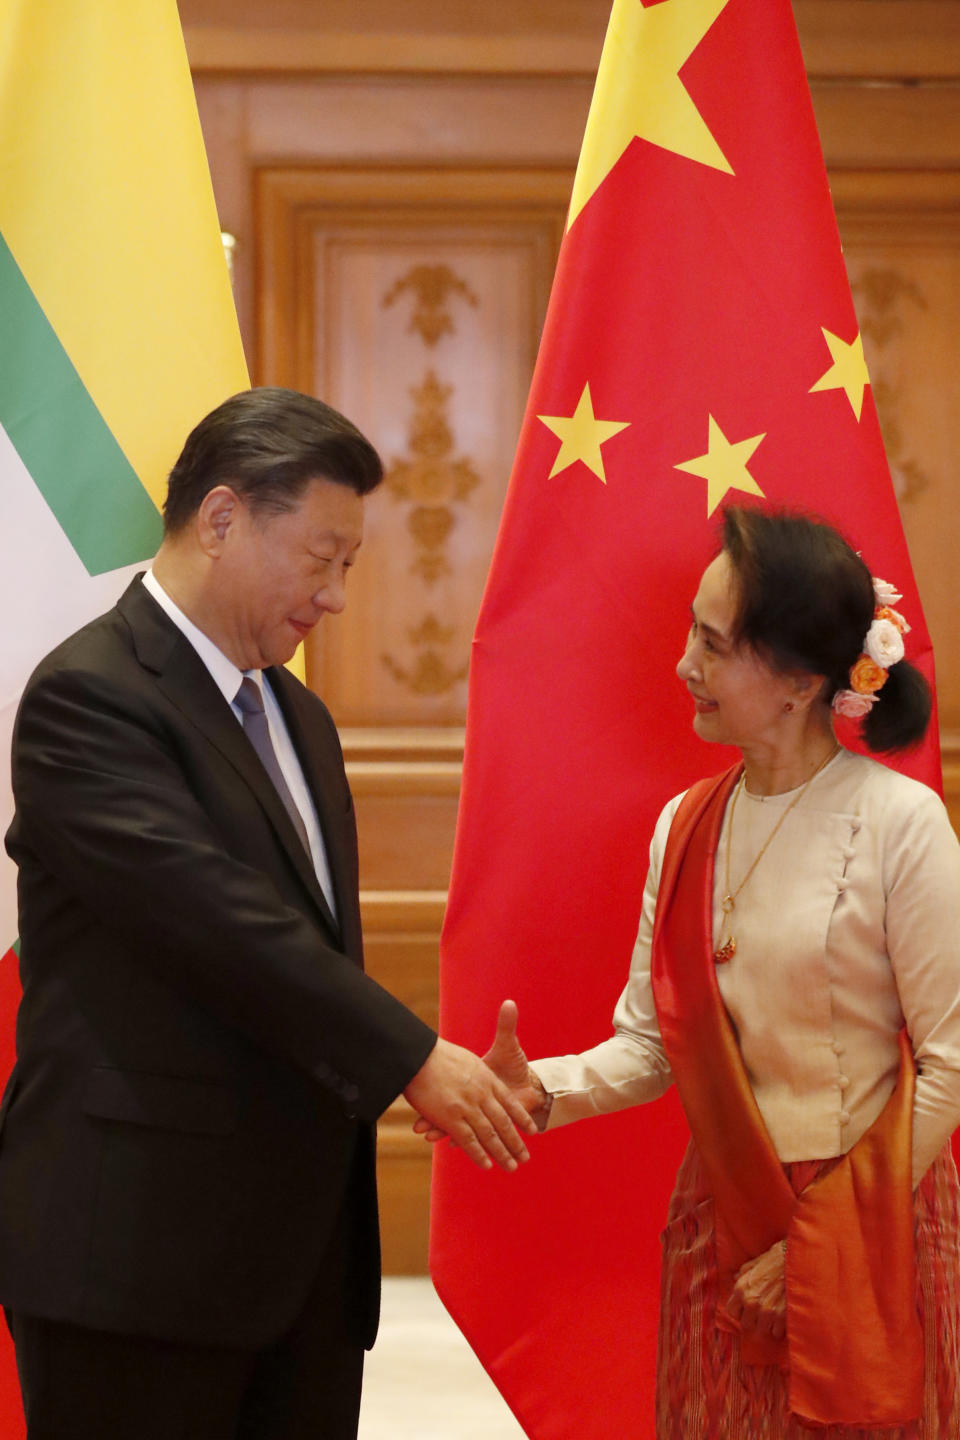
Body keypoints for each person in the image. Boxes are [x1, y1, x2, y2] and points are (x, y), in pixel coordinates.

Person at [0, 386, 536, 1440]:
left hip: (300, 1274)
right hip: (138, 1266)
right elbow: (221, 926)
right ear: (223, 518)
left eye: (352, 566)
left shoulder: (301, 717)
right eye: (322, 557)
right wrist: (415, 1058)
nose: (338, 596)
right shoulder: (91, 697)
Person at [449, 507, 960, 1437]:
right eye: (693, 628)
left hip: (872, 1214)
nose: (684, 662)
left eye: (715, 644)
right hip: (722, 1216)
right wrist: (542, 1090)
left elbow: (950, 1064)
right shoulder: (684, 824)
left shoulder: (901, 822)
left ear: (803, 682)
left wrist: (825, 1244)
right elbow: (650, 1047)